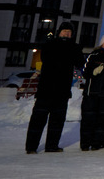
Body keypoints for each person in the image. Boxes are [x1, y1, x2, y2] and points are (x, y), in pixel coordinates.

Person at [25, 21, 83, 154]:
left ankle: (52, 145)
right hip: (46, 89)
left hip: (62, 91)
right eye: (64, 31)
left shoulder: (73, 47)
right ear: (59, 32)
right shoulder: (50, 45)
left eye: (69, 32)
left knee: (57, 121)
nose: (66, 34)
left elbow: (79, 62)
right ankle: (31, 147)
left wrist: (74, 48)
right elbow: (46, 57)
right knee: (38, 120)